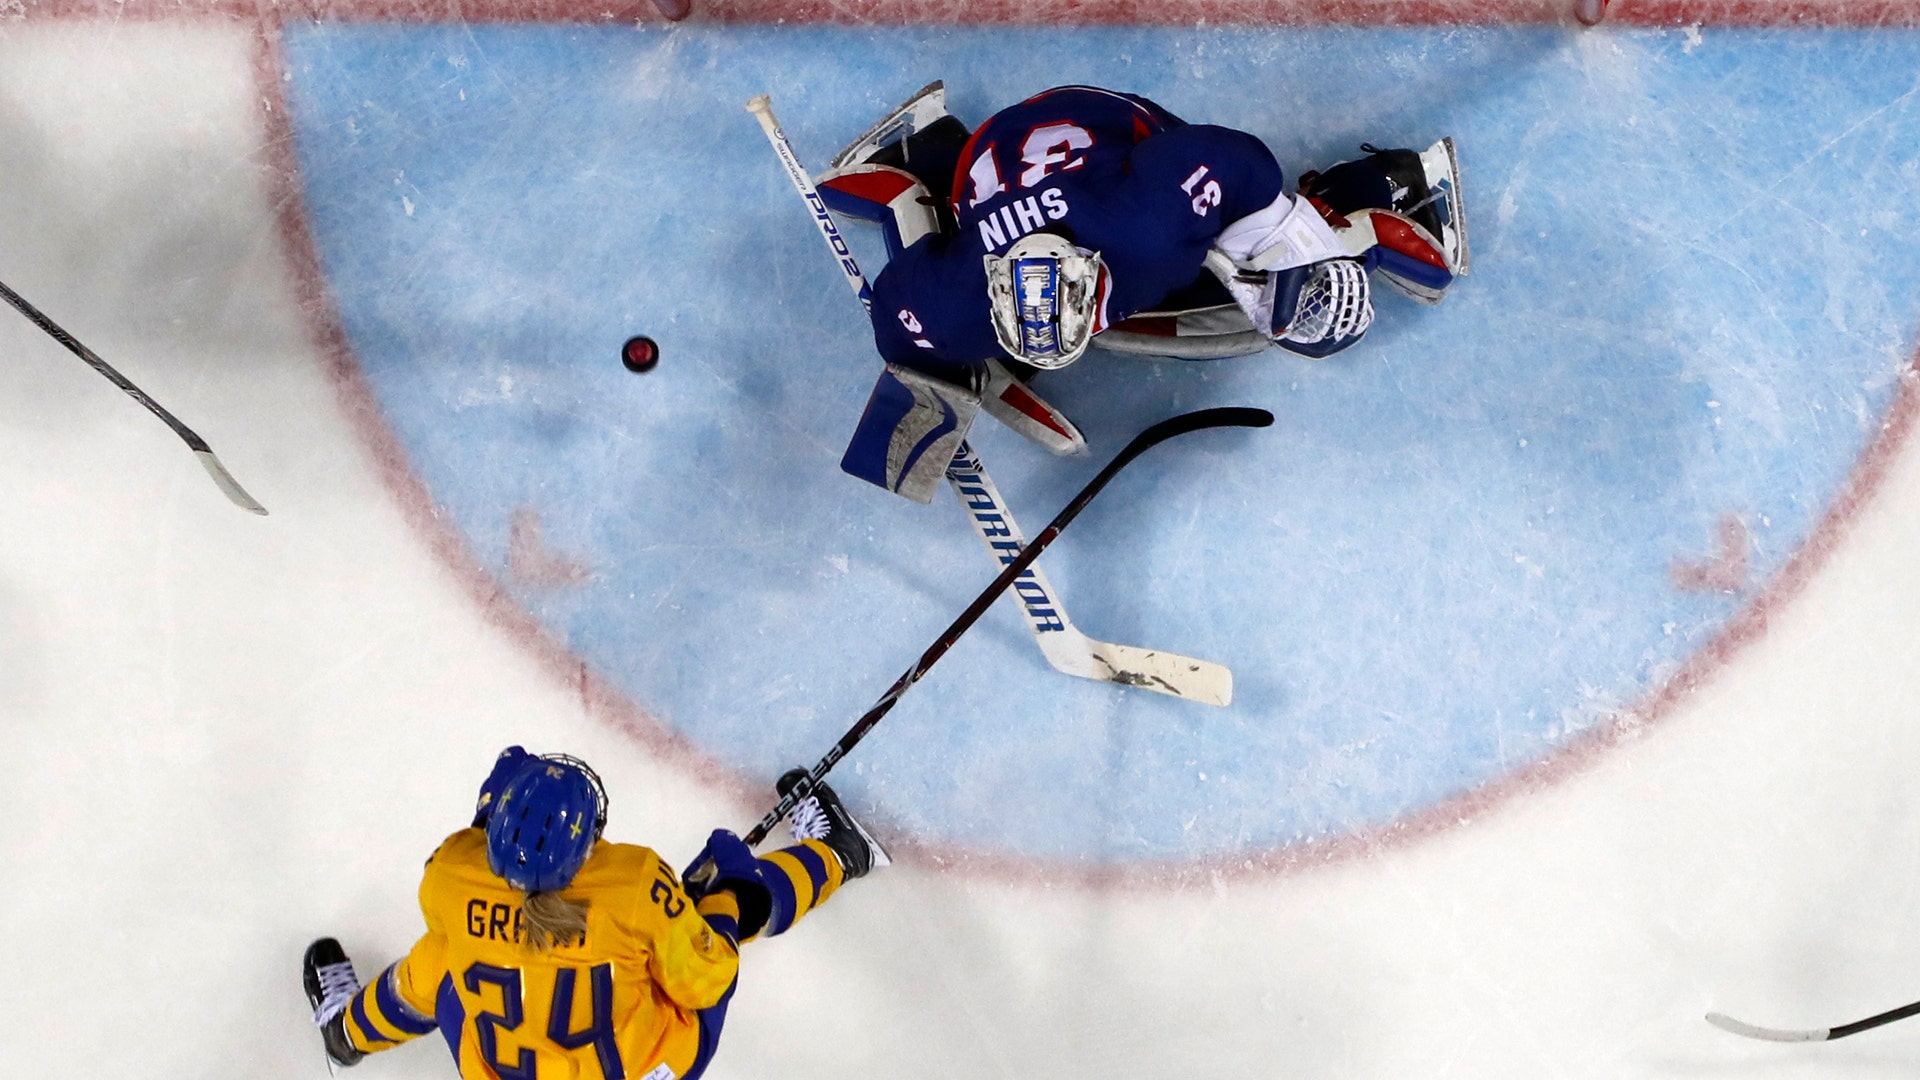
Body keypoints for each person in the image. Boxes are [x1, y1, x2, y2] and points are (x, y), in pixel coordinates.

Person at [816, 83, 1470, 500]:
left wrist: (1291, 240)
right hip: (998, 158)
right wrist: (940, 376)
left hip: (1107, 129)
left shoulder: (1149, 225)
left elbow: (1237, 163)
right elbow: (900, 319)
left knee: (1242, 307)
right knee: (1191, 304)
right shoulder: (955, 302)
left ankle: (1380, 188)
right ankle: (927, 150)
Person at [301, 748, 886, 1080]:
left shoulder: (449, 872)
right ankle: (841, 853)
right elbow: (708, 980)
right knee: (715, 911)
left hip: (498, 1069)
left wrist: (490, 810)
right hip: (641, 1071)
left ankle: (346, 1034)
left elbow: (477, 870)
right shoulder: (630, 882)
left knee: (441, 960)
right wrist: (728, 902)